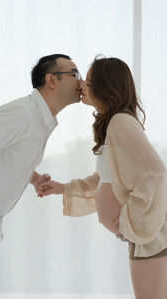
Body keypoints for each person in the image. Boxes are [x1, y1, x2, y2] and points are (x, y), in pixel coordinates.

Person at [38, 57, 167, 299]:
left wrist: (131, 223)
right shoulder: (115, 123)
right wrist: (63, 188)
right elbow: (106, 179)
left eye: (89, 81)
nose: (82, 86)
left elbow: (155, 173)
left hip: (151, 240)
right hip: (143, 240)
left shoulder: (120, 122)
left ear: (107, 86)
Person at [0, 53, 82, 299]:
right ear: (51, 80)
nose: (80, 81)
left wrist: (34, 178)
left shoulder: (41, 120)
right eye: (74, 74)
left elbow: (8, 156)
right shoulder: (22, 113)